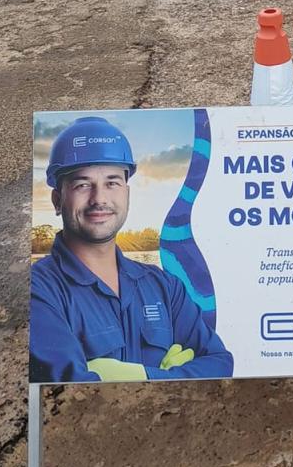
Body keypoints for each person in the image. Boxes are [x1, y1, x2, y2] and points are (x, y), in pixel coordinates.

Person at [30, 115, 233, 383]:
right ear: (57, 200)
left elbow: (219, 363)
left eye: (112, 182)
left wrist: (142, 375)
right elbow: (68, 388)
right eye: (82, 184)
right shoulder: (39, 290)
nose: (99, 198)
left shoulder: (164, 286)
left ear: (127, 194)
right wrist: (173, 378)